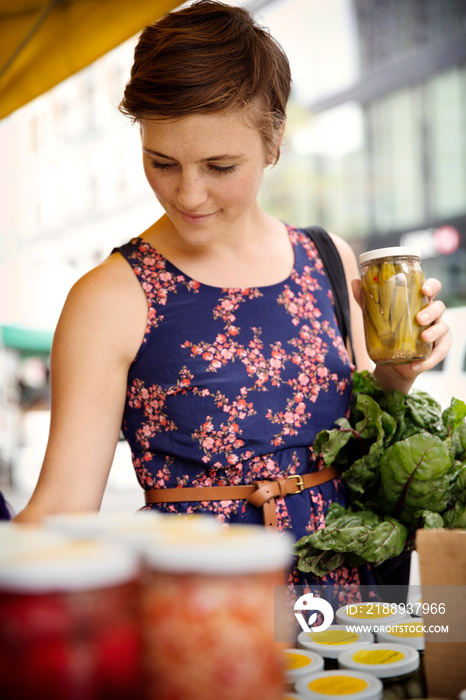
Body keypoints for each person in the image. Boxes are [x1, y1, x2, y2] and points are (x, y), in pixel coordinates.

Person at [14, 1, 450, 592]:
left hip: (355, 610)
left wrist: (399, 377)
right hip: (207, 617)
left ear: (274, 143)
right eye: (161, 161)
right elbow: (62, 508)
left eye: (220, 166)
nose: (188, 194)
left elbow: (366, 445)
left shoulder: (329, 259)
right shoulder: (109, 298)